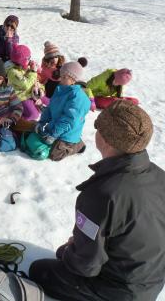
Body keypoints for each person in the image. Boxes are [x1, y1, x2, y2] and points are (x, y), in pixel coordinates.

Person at [29, 101, 165, 301]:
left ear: (107, 140)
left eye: (98, 129)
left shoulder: (103, 193)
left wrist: (70, 251)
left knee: (39, 270)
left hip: (120, 291)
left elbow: (86, 266)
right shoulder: (158, 175)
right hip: (151, 282)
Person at [34, 60, 90, 161]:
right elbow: (50, 108)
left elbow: (68, 120)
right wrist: (41, 122)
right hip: (57, 126)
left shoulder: (77, 98)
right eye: (61, 76)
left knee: (54, 155)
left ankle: (77, 145)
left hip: (69, 132)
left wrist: (53, 135)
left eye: (65, 77)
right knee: (39, 138)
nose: (61, 79)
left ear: (74, 80)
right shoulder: (60, 89)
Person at [5, 44, 46, 121]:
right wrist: (33, 71)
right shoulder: (13, 72)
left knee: (48, 102)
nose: (30, 60)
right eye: (28, 58)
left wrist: (41, 89)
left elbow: (35, 81)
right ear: (22, 60)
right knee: (33, 115)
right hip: (20, 96)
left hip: (30, 93)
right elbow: (26, 85)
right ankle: (17, 121)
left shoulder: (24, 66)